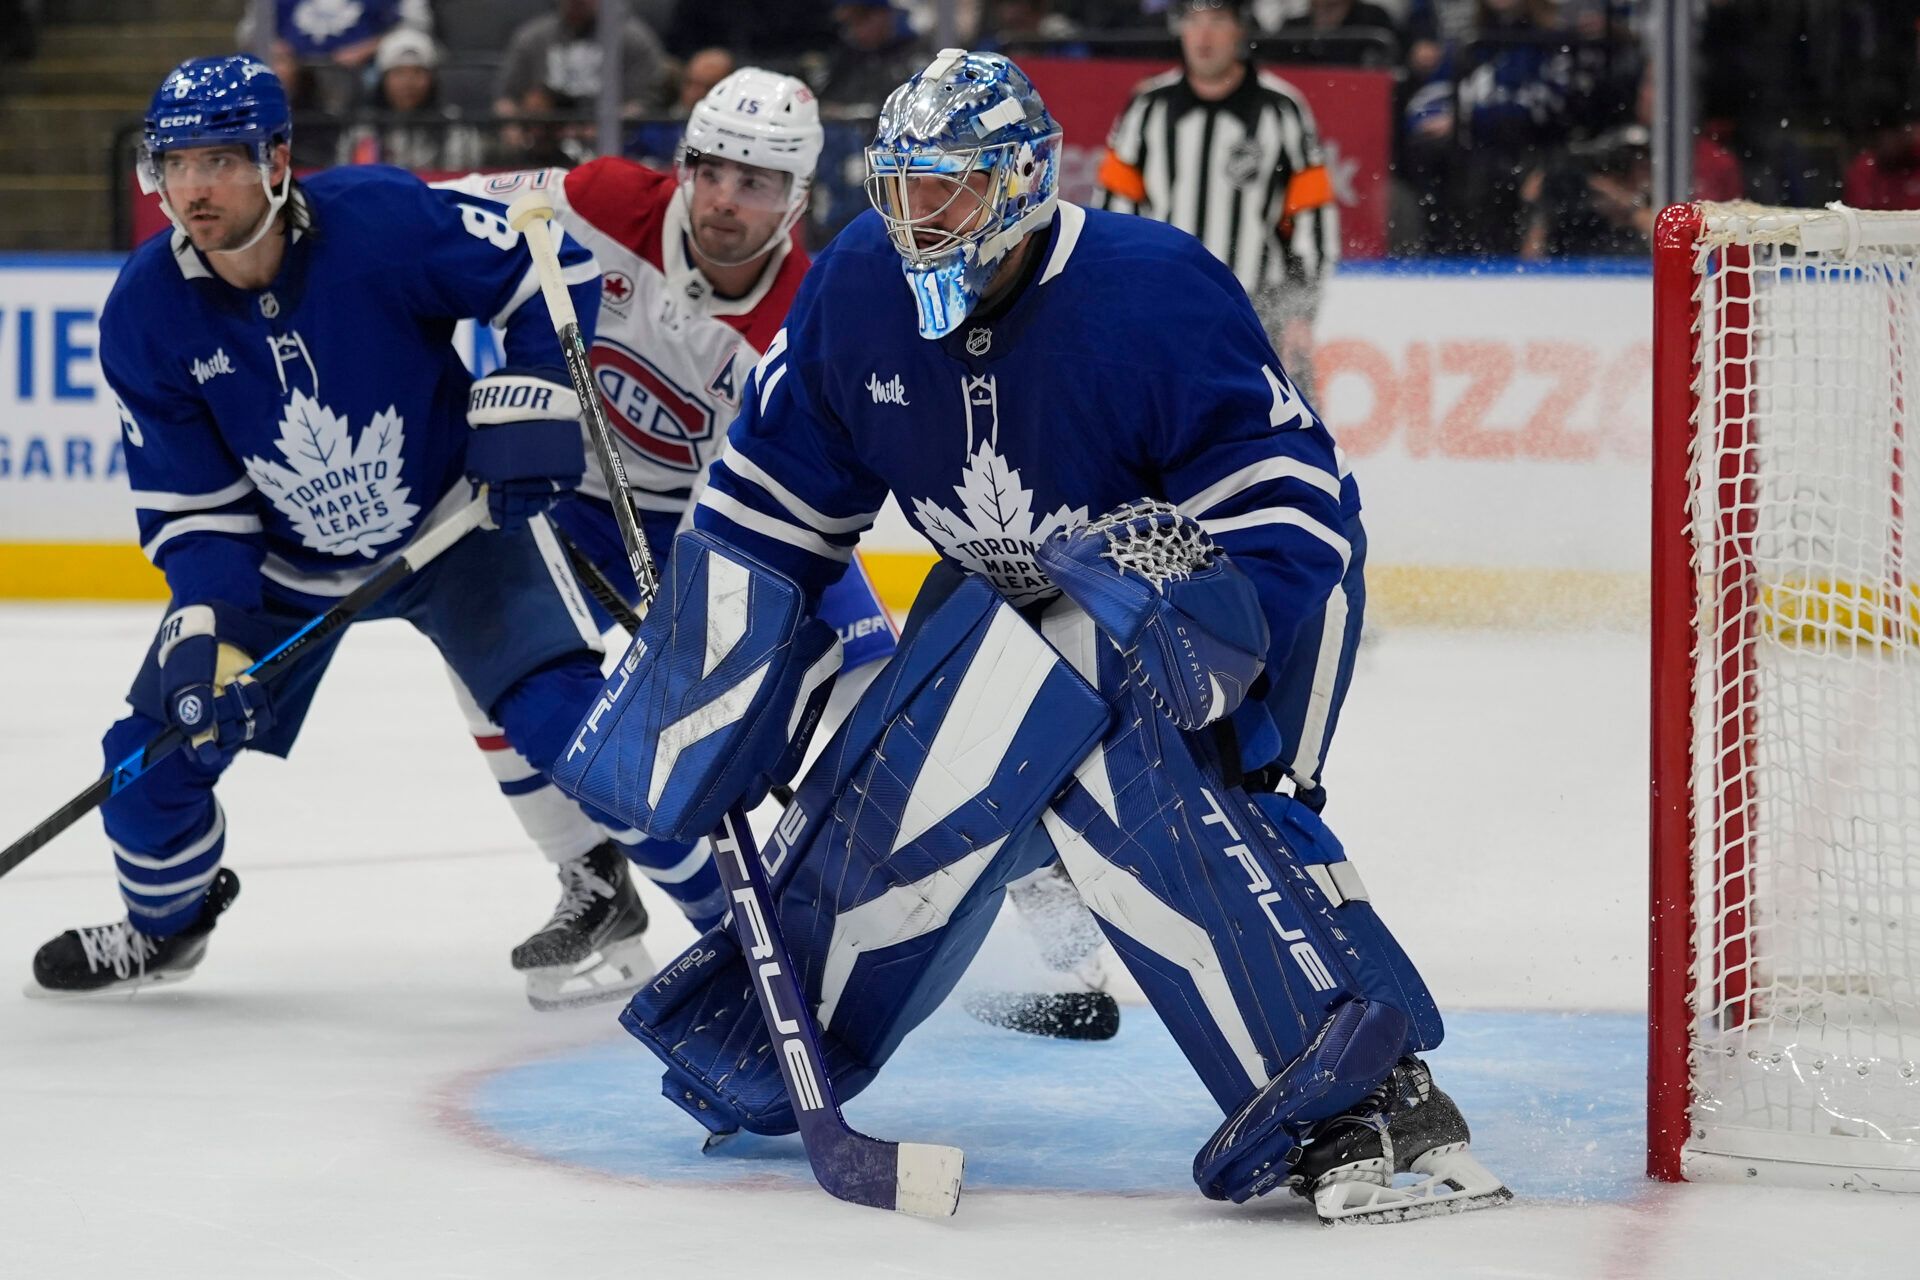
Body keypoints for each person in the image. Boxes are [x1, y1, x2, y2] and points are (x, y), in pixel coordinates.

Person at [591, 49, 1507, 1221]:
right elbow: (769, 509)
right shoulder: (862, 288)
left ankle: (1364, 1092)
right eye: (903, 185)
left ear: (1023, 183)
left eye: (953, 190)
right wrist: (706, 681)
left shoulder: (1152, 291)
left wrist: (1241, 698)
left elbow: (1293, 518)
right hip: (1003, 610)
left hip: (1214, 607)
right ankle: (767, 1037)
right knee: (893, 821)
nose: (919, 219)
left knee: (1163, 800)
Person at [25, 54, 650, 1001]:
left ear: (278, 157)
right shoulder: (145, 313)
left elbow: (554, 266)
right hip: (278, 570)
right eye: (175, 165)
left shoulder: (383, 221)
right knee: (147, 766)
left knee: (566, 722)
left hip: (456, 524)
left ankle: (685, 909)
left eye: (220, 161)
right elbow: (197, 512)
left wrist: (537, 398)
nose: (193, 189)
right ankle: (165, 929)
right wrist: (205, 633)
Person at [438, 68, 896, 1011]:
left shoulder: (807, 322)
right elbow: (427, 225)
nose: (725, 200)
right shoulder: (605, 201)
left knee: (879, 700)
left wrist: (694, 607)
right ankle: (594, 879)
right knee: (484, 654)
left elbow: (778, 496)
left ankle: (990, 918)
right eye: (712, 170)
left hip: (737, 518)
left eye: (756, 183)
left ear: (799, 198)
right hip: (572, 498)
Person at [1095, 0, 1338, 398]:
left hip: (1257, 313)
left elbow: (1313, 219)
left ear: (1240, 30)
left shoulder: (1282, 108)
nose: (1203, 35)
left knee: (1269, 441)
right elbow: (1114, 215)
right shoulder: (1147, 108)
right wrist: (1122, 302)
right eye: (1193, 21)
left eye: (1217, 21)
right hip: (1165, 308)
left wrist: (1300, 313)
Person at [492, 0, 674, 122]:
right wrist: (515, 126)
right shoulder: (532, 38)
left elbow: (648, 104)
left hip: (613, 143)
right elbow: (506, 100)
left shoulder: (634, 39)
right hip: (542, 140)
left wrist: (607, 125)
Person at [340, 28, 485, 170]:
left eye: (418, 73)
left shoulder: (453, 124)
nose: (408, 83)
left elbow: (461, 176)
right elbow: (349, 174)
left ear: (432, 79)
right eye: (399, 73)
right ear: (383, 80)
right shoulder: (364, 126)